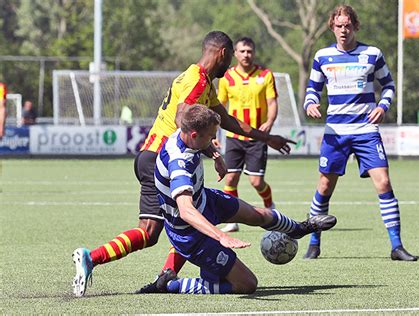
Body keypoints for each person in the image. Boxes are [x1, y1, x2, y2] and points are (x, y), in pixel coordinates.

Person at [72, 31, 296, 297]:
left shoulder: (201, 81)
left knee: (178, 222)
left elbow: (228, 121)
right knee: (156, 229)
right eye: (230, 57)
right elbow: (182, 116)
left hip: (154, 156)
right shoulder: (197, 82)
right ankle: (92, 257)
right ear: (223, 54)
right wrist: (207, 148)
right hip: (161, 160)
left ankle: (167, 276)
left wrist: (265, 137)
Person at [139, 104, 337, 294]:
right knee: (247, 284)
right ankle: (171, 285)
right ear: (194, 135)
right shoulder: (179, 163)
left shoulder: (184, 131)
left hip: (206, 200)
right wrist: (221, 236)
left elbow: (184, 113)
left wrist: (214, 154)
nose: (213, 141)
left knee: (259, 215)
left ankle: (299, 229)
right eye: (211, 137)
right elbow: (186, 211)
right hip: (190, 232)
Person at [302, 5, 416, 261]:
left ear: (355, 26)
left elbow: (388, 85)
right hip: (335, 132)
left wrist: (383, 106)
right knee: (324, 186)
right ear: (332, 27)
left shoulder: (372, 54)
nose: (344, 30)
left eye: (348, 25)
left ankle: (396, 246)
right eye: (339, 26)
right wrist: (310, 103)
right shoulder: (322, 56)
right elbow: (313, 88)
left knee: (384, 182)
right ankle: (314, 241)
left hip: (366, 130)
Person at [218, 37, 278, 233]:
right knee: (230, 179)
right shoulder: (227, 78)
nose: (246, 55)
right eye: (242, 51)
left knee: (256, 181)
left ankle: (270, 207)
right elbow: (219, 108)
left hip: (257, 137)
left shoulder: (265, 75)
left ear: (254, 53)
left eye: (249, 51)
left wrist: (269, 122)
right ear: (235, 53)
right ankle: (232, 219)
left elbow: (272, 103)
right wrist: (212, 134)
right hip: (234, 137)